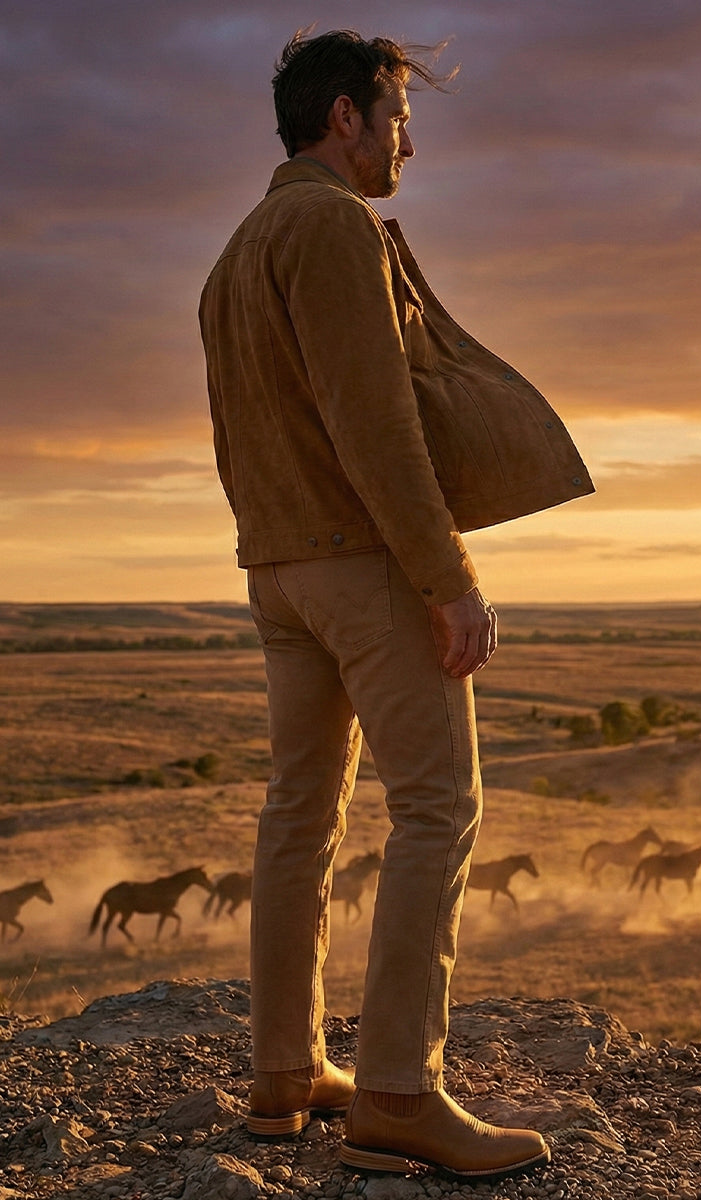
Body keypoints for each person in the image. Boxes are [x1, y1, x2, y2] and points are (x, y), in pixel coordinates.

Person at [199, 27, 594, 1182]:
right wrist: (450, 579)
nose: (407, 141)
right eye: (397, 117)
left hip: (276, 570)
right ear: (344, 117)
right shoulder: (329, 227)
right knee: (436, 809)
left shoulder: (233, 253)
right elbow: (376, 425)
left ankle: (285, 1074)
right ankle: (397, 1092)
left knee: (300, 817)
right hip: (361, 565)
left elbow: (246, 432)